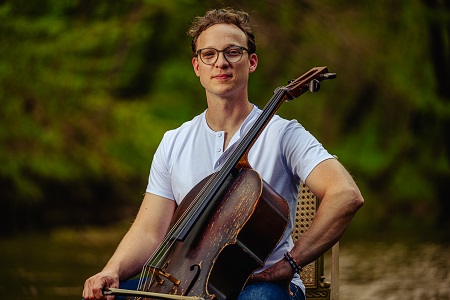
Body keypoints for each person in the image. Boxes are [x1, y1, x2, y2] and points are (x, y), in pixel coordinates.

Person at [82, 8, 364, 300]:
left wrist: (291, 263)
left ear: (251, 62)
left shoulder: (283, 134)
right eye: (209, 54)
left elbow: (345, 194)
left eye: (233, 52)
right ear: (196, 66)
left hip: (258, 285)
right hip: (183, 284)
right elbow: (149, 233)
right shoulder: (173, 142)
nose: (221, 62)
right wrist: (111, 269)